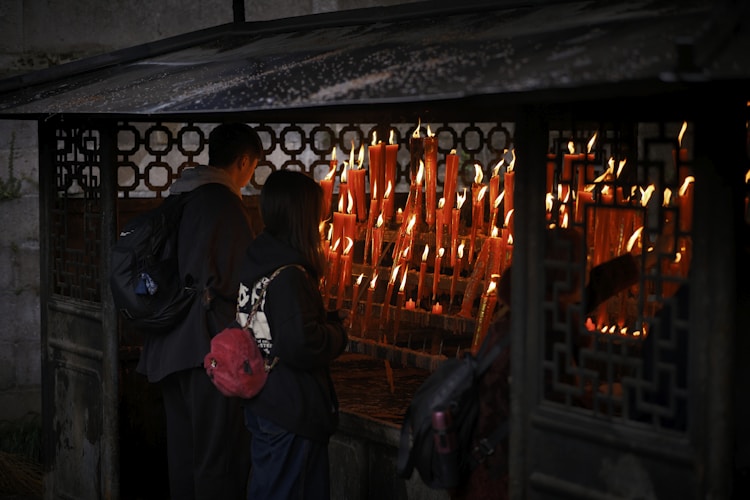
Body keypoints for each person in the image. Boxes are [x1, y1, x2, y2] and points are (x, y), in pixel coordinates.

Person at [136, 122, 263, 500]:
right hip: (207, 351)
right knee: (217, 458)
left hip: (169, 346)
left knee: (185, 455)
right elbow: (242, 281)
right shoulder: (223, 204)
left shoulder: (180, 197)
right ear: (244, 161)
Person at [236, 169, 349, 500]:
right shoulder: (290, 274)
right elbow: (300, 344)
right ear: (303, 216)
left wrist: (321, 317)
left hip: (264, 398)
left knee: (268, 487)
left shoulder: (260, 259)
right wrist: (338, 334)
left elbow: (270, 321)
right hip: (290, 406)